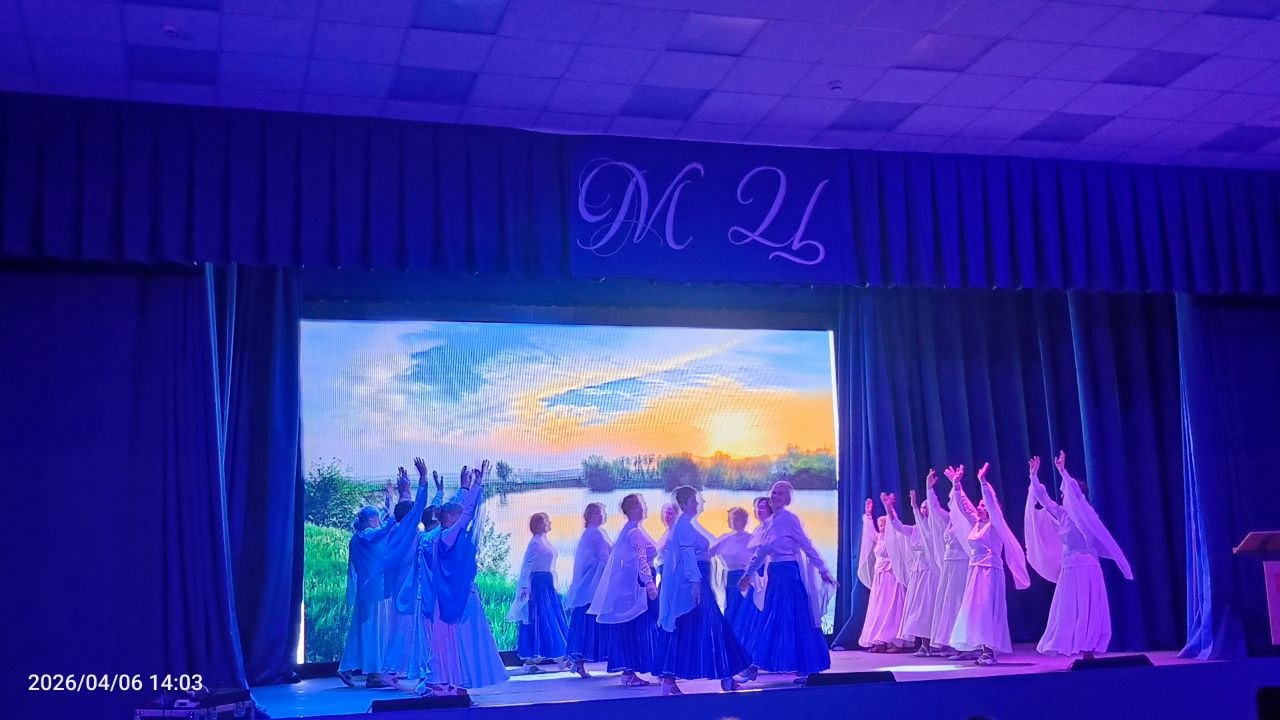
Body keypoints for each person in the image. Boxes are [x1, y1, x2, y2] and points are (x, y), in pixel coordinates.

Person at [1025, 451, 1133, 659]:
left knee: (1089, 608)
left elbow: (1075, 493)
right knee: (1068, 609)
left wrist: (1063, 471)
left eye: (1065, 493)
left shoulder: (1088, 515)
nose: (1063, 497)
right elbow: (1043, 498)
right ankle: (1077, 646)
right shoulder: (1062, 514)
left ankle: (1089, 649)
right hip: (1069, 567)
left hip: (1087, 566)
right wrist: (1033, 476)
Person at [422, 462, 508, 694]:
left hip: (454, 594)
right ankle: (445, 683)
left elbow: (460, 510)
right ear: (450, 517)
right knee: (455, 639)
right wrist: (477, 485)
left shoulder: (444, 533)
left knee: (456, 640)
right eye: (457, 516)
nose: (463, 520)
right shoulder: (445, 536)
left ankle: (452, 683)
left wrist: (465, 488)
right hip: (452, 597)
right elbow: (465, 513)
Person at [737, 481, 835, 683]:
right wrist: (747, 574)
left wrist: (823, 569)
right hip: (775, 576)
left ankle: (759, 666)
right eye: (774, 492)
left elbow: (806, 545)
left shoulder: (790, 519)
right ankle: (757, 665)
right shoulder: (770, 522)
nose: (775, 496)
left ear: (787, 499)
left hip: (789, 576)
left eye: (780, 493)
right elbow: (761, 552)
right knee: (773, 620)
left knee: (788, 620)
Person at [658, 486, 750, 695]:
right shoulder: (683, 526)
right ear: (684, 504)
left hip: (698, 581)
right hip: (696, 583)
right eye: (694, 500)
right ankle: (722, 677)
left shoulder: (686, 525)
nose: (698, 503)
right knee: (709, 626)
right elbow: (687, 555)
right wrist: (695, 583)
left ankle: (723, 677)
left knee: (700, 627)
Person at [948, 462, 1030, 666]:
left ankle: (989, 651)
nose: (980, 507)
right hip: (975, 571)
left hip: (990, 572)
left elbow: (992, 504)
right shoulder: (977, 523)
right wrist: (957, 485)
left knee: (987, 610)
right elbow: (964, 507)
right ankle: (983, 649)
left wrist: (983, 482)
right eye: (980, 505)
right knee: (975, 611)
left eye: (984, 505)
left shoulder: (995, 524)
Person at [588, 493, 662, 687]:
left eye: (642, 505)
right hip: (641, 583)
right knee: (644, 625)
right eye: (639, 506)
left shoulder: (631, 530)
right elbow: (640, 559)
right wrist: (649, 582)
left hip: (638, 582)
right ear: (631, 510)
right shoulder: (633, 532)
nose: (643, 508)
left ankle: (639, 669)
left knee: (638, 625)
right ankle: (639, 670)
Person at [380, 460, 439, 686]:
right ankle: (396, 670)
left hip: (403, 585)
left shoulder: (396, 528)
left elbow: (405, 509)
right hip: (408, 587)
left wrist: (404, 489)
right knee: (407, 629)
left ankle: (398, 670)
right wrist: (423, 479)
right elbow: (417, 508)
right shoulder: (406, 530)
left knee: (402, 628)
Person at [338, 490, 402, 687]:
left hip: (368, 592)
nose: (379, 521)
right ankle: (374, 674)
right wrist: (396, 516)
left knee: (361, 630)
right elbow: (383, 529)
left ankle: (347, 668)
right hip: (376, 592)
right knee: (376, 631)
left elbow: (382, 527)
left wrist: (389, 500)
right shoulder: (366, 536)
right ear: (370, 520)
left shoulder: (357, 537)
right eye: (376, 519)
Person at [509, 512, 571, 673]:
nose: (549, 523)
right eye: (545, 521)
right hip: (539, 585)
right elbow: (527, 564)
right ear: (538, 525)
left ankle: (559, 658)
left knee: (552, 619)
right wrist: (524, 586)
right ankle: (536, 661)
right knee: (543, 619)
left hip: (547, 584)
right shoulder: (535, 543)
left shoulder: (544, 541)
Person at [889, 480, 943, 655]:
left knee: (930, 607)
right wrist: (889, 508)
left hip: (931, 572)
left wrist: (915, 506)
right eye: (922, 507)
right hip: (918, 573)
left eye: (926, 507)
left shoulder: (936, 529)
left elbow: (930, 540)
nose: (924, 510)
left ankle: (937, 644)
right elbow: (897, 526)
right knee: (918, 609)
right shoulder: (914, 530)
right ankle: (924, 645)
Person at [928, 465, 973, 658]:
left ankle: (965, 645)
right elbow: (935, 510)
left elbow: (963, 505)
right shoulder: (949, 520)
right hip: (949, 565)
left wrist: (957, 486)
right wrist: (929, 489)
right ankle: (951, 643)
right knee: (948, 604)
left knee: (958, 602)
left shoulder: (968, 520)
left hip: (961, 565)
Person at [565, 503, 612, 678]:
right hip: (593, 586)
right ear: (591, 516)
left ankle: (577, 660)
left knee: (584, 622)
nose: (602, 515)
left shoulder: (592, 533)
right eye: (599, 513)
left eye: (602, 513)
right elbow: (605, 557)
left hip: (590, 585)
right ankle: (579, 661)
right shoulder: (595, 533)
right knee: (589, 622)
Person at [857, 493, 908, 653]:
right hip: (880, 576)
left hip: (891, 576)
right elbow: (869, 532)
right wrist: (868, 515)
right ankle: (879, 640)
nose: (882, 527)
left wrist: (890, 508)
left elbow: (895, 523)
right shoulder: (879, 538)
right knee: (878, 608)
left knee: (891, 607)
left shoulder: (894, 538)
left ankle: (894, 641)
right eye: (880, 525)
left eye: (884, 524)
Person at [732, 497, 772, 661]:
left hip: (766, 574)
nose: (759, 510)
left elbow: (762, 554)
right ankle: (749, 656)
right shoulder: (758, 529)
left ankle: (757, 657)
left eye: (762, 507)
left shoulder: (771, 528)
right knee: (749, 615)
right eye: (757, 507)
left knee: (761, 614)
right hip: (755, 576)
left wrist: (750, 572)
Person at [709, 507, 752, 626]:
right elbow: (709, 553)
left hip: (745, 577)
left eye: (737, 519)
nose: (734, 521)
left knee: (743, 609)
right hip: (730, 577)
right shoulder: (725, 538)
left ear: (744, 521)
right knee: (731, 608)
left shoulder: (750, 538)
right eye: (732, 519)